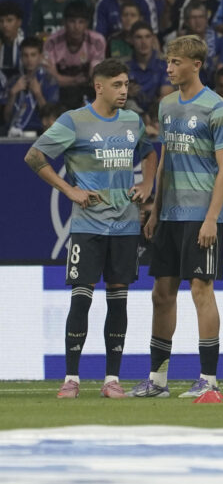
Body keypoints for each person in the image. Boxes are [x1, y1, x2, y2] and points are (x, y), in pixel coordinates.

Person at [23, 58, 156, 398]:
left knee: (118, 303)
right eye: (117, 85)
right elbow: (34, 157)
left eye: (126, 84)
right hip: (88, 226)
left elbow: (149, 153)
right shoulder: (74, 121)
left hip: (125, 226)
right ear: (99, 86)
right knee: (81, 300)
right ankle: (72, 379)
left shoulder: (132, 121)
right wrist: (69, 189)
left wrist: (147, 185)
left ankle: (112, 379)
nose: (124, 91)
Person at [128, 35, 223, 399]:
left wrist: (211, 218)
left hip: (201, 215)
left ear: (195, 64)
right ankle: (158, 381)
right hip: (170, 214)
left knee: (200, 289)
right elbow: (165, 162)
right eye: (168, 62)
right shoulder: (167, 105)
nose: (169, 68)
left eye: (175, 62)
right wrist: (156, 209)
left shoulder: (217, 108)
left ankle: (209, 380)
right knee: (162, 293)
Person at [43, 1, 107, 110]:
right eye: (72, 22)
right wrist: (73, 80)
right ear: (64, 22)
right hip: (60, 89)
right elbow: (52, 78)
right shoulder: (52, 42)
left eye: (81, 22)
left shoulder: (97, 41)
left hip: (87, 87)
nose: (76, 27)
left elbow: (95, 76)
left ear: (87, 24)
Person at [5, 37, 60, 137]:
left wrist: (38, 94)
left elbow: (51, 119)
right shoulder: (13, 81)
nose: (29, 59)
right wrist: (12, 94)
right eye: (25, 55)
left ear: (40, 56)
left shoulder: (50, 81)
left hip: (40, 132)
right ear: (20, 57)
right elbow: (6, 118)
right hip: (13, 132)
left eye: (33, 55)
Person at [126, 22, 173, 113]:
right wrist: (126, 94)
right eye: (138, 37)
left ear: (153, 39)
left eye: (147, 37)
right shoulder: (124, 67)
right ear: (131, 40)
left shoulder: (164, 64)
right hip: (132, 115)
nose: (143, 42)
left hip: (157, 114)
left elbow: (166, 96)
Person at [0, 1, 24, 80]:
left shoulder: (26, 44)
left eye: (9, 20)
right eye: (1, 21)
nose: (4, 25)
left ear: (19, 22)